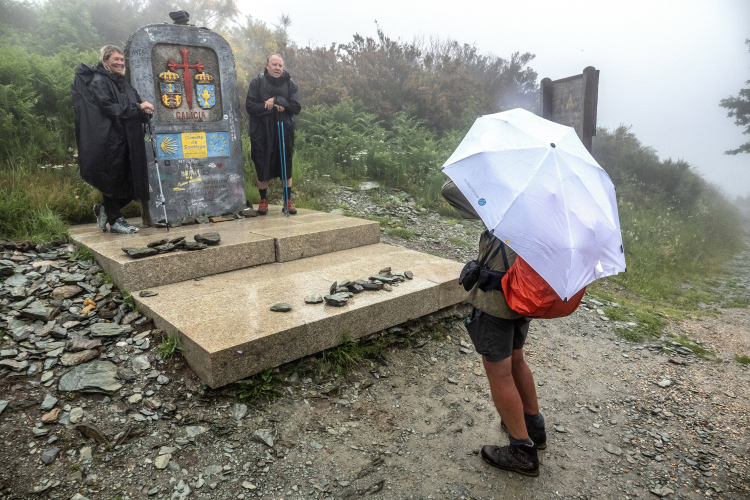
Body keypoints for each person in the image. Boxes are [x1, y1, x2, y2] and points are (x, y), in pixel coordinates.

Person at [442, 179, 546, 477]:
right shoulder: (540, 208)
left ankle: (521, 450)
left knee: (499, 373)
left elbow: (450, 190)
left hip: (495, 304)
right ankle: (533, 426)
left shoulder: (502, 205)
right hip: (521, 298)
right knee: (516, 361)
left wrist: (494, 179)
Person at [72, 45, 154, 234]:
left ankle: (106, 210)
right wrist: (137, 109)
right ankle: (116, 220)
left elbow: (134, 104)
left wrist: (144, 111)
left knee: (132, 181)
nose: (120, 63)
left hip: (129, 139)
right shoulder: (99, 81)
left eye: (122, 60)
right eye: (116, 59)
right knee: (113, 181)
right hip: (110, 140)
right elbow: (109, 108)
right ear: (105, 60)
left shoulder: (123, 82)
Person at [245, 54, 301, 215]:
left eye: (280, 65)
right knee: (262, 163)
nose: (277, 68)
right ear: (267, 65)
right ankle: (263, 201)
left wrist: (277, 99)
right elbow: (250, 107)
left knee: (286, 164)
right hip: (261, 131)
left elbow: (296, 107)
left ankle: (287, 201)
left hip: (284, 129)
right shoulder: (257, 82)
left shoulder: (290, 84)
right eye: (274, 65)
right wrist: (270, 106)